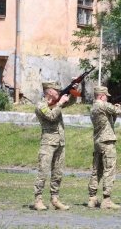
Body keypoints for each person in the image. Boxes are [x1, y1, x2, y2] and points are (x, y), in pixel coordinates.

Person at [87, 86, 121, 209]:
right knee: (109, 169)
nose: (107, 98)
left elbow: (108, 120)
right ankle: (106, 200)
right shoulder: (103, 105)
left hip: (98, 141)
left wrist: (114, 110)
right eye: (106, 96)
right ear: (101, 96)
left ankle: (92, 198)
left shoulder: (93, 108)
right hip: (107, 141)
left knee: (97, 170)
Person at [33, 81, 77, 211]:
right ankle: (38, 199)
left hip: (60, 142)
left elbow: (71, 102)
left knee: (58, 173)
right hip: (48, 143)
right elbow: (51, 116)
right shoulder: (41, 105)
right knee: (43, 172)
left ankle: (55, 199)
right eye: (55, 90)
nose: (58, 91)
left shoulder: (57, 103)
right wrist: (59, 103)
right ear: (48, 91)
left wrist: (74, 91)